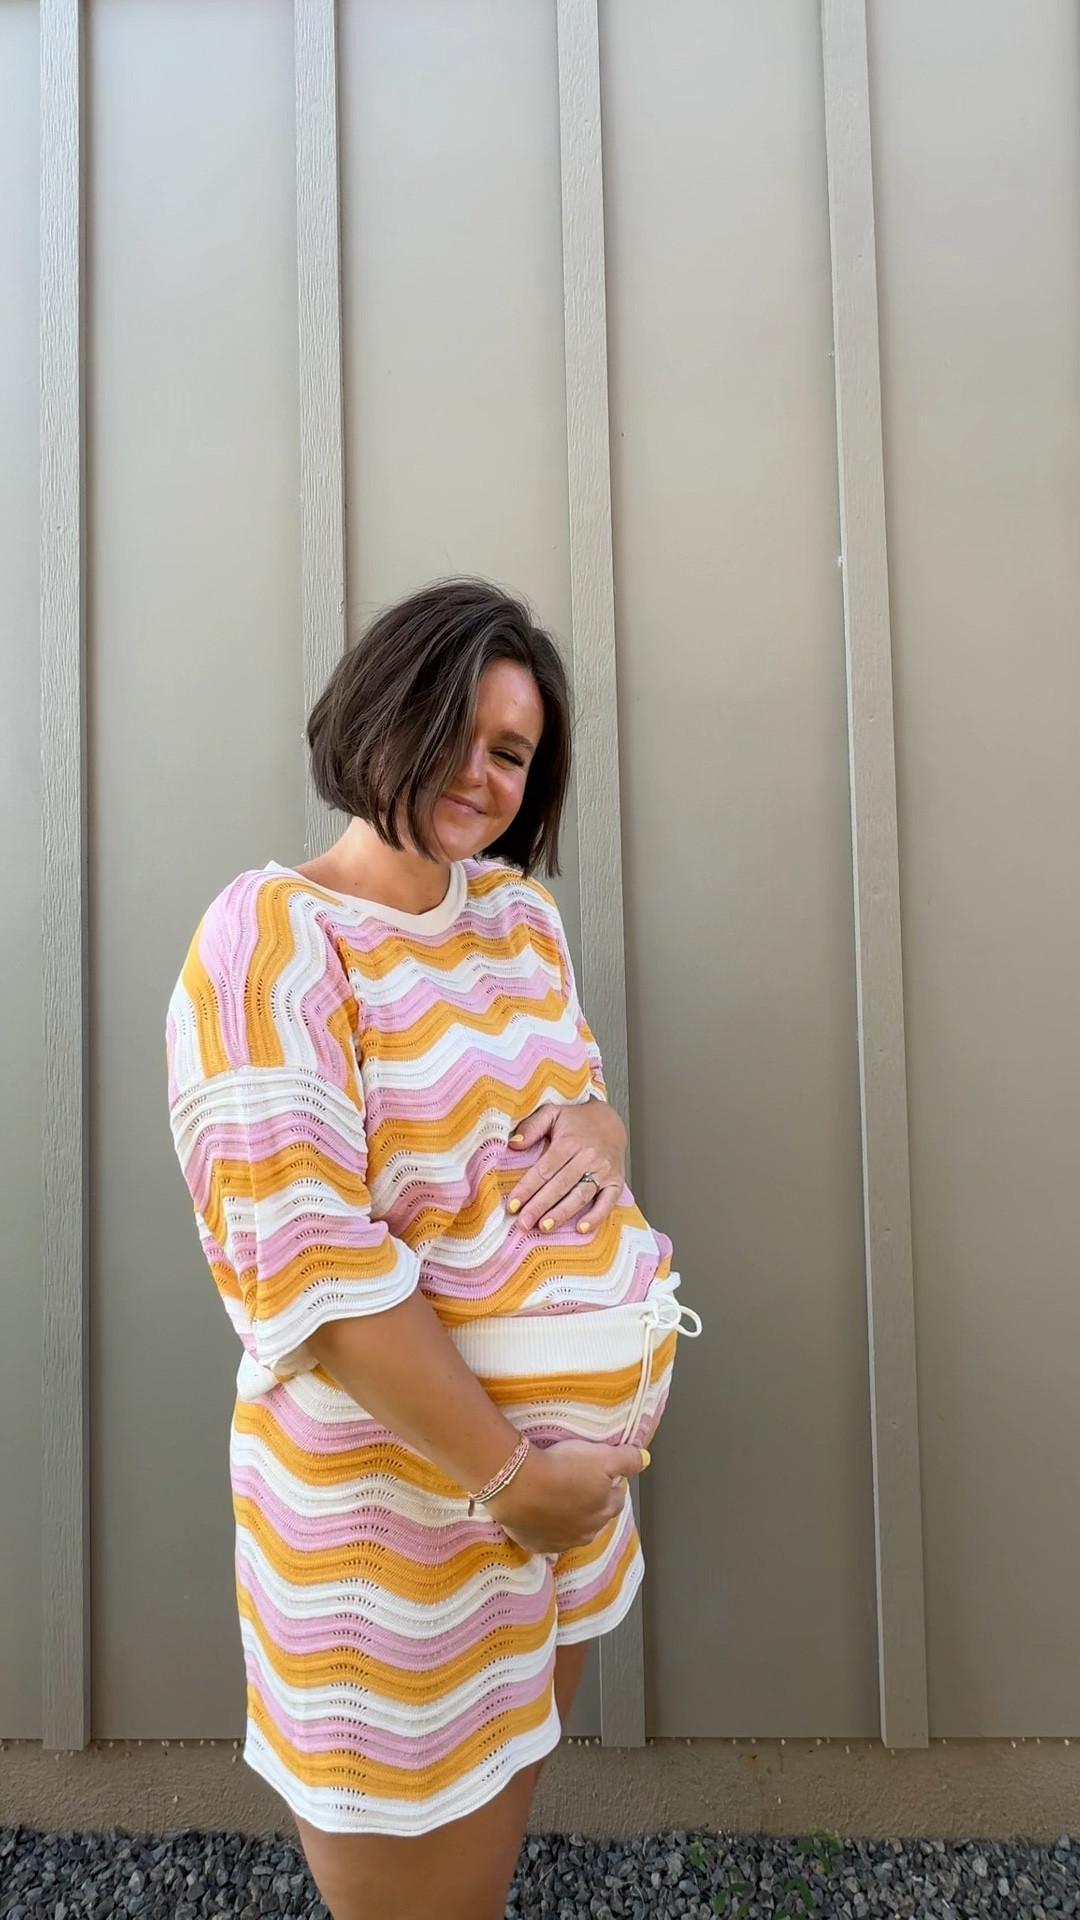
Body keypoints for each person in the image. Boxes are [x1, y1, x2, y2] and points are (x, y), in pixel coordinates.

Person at [166, 579, 700, 1920]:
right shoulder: (270, 941)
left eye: (512, 751)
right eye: (456, 728)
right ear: (379, 709)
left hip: (556, 1525)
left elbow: (562, 1109)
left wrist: (604, 1122)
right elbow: (309, 1274)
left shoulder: (519, 920)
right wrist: (513, 1478)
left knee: (491, 1849)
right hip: (403, 1531)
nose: (482, 772)